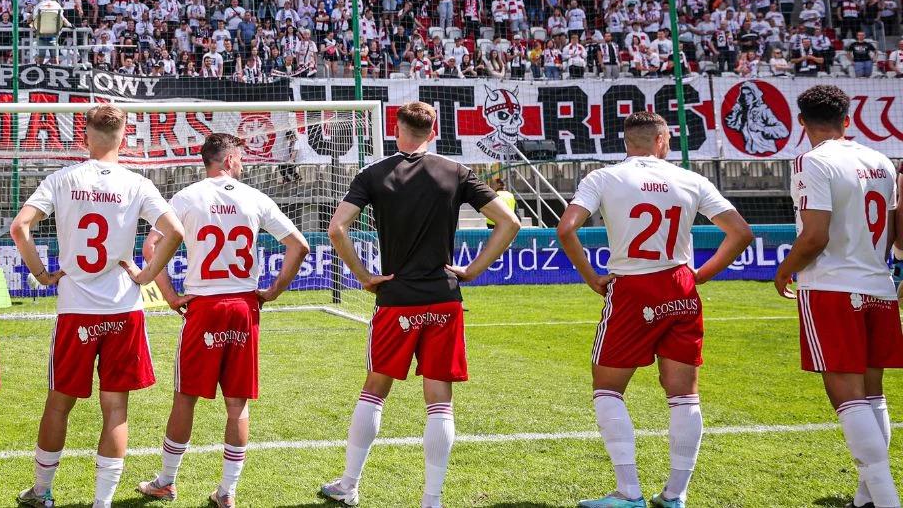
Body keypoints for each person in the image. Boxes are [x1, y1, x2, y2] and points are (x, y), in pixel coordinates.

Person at [319, 102, 521, 508]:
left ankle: (349, 484)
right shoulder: (456, 172)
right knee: (439, 401)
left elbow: (337, 228)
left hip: (396, 298)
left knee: (375, 391)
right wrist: (473, 270)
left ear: (397, 128)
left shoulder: (374, 174)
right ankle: (432, 500)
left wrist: (363, 276)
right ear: (434, 131)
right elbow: (510, 223)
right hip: (443, 299)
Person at [556, 111, 753, 508]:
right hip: (679, 285)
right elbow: (741, 232)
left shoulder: (603, 177)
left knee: (608, 388)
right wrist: (702, 274)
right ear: (663, 141)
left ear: (627, 142)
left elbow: (565, 228)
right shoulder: (690, 179)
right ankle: (675, 495)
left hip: (632, 287)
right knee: (684, 396)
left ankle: (629, 492)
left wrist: (592, 277)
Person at [12, 105, 185, 508]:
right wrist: (144, 276)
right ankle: (102, 502)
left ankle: (41, 491)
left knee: (59, 402)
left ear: (85, 134)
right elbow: (175, 230)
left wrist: (40, 272)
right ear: (124, 136)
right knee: (116, 406)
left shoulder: (62, 179)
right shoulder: (137, 183)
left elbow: (19, 227)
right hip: (123, 310)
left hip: (76, 309)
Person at [137, 133, 310, 508]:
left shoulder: (186, 197)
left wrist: (168, 294)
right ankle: (227, 492)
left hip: (205, 307)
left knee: (185, 398)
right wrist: (275, 289)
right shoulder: (254, 198)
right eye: (241, 158)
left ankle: (166, 481)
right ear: (229, 159)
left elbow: (150, 247)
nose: (244, 165)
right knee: (238, 404)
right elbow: (299, 245)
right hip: (244, 307)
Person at [775, 85, 901, 508]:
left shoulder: (811, 161)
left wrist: (785, 269)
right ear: (847, 119)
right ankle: (868, 498)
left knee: (846, 396)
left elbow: (814, 236)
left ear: (801, 122)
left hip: (831, 286)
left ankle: (885, 500)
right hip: (879, 285)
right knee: (873, 393)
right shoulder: (881, 160)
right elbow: (898, 233)